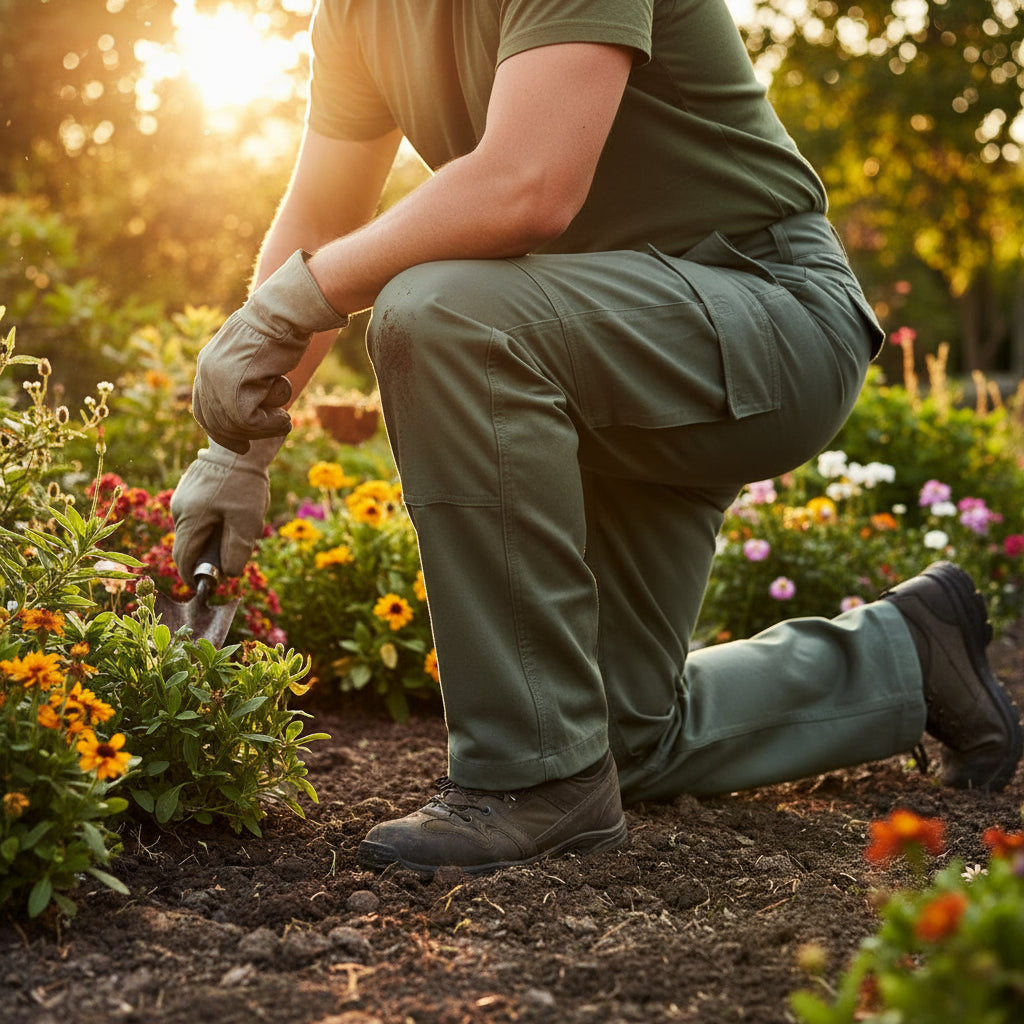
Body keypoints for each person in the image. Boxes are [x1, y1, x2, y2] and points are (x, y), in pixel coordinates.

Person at [170, 0, 1023, 877]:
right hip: (591, 344)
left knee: (441, 315)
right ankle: (909, 656)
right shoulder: (357, 13)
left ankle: (528, 783)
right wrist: (234, 448)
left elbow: (527, 184)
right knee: (610, 733)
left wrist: (299, 299)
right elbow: (319, 220)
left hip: (766, 309)